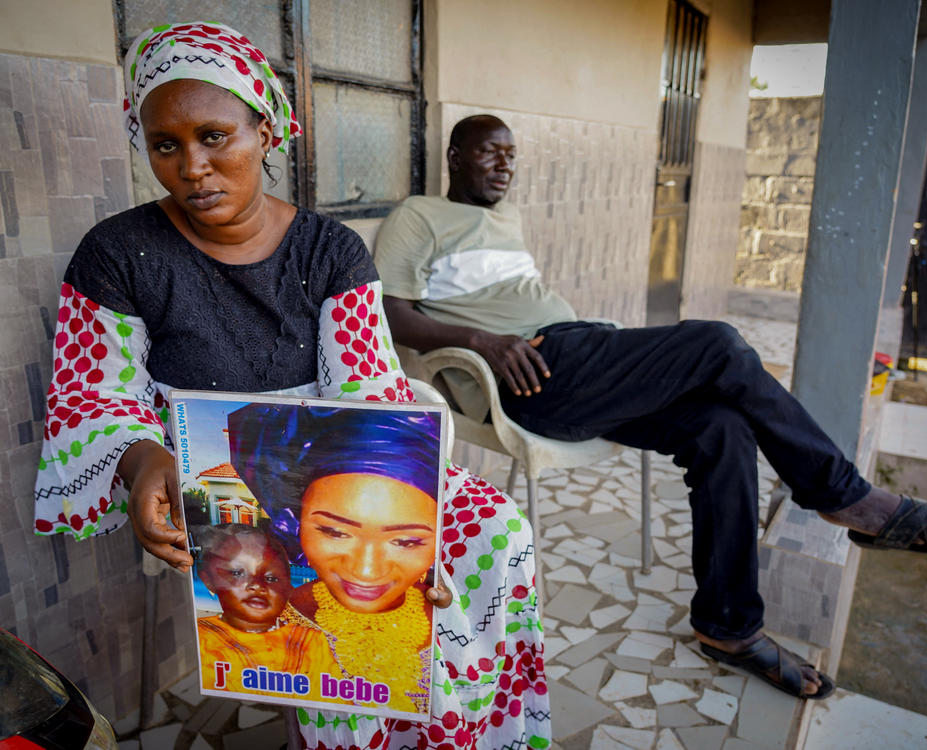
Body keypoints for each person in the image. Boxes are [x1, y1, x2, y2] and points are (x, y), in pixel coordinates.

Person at [32, 27, 549, 750]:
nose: (193, 168)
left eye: (215, 136)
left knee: (495, 531)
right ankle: (351, 727)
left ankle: (467, 725)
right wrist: (142, 458)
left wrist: (403, 530)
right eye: (166, 145)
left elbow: (368, 389)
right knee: (346, 620)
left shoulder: (328, 250)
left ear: (265, 129)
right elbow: (96, 394)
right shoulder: (120, 254)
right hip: (212, 477)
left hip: (343, 467)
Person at [373, 113, 927, 700]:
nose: (504, 165)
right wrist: (484, 341)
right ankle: (845, 497)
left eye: (512, 155)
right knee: (719, 344)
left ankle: (729, 627)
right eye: (489, 152)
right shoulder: (418, 217)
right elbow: (394, 313)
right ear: (455, 156)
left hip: (582, 352)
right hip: (532, 375)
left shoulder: (505, 216)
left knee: (720, 429)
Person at [226, 404, 443, 714]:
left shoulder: (449, 603)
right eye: (334, 532)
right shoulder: (277, 619)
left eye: (405, 541)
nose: (366, 570)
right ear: (295, 520)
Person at [193, 523, 338, 702]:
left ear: (288, 588)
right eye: (238, 573)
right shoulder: (200, 636)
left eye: (271, 578)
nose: (257, 585)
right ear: (208, 581)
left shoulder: (311, 640)